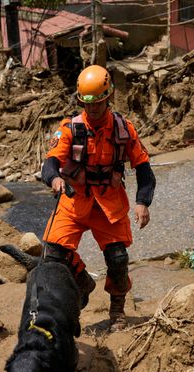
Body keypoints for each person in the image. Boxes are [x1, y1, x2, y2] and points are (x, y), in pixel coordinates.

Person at [41, 65, 156, 331]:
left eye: (98, 104)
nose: (92, 110)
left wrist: (142, 202)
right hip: (74, 200)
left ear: (108, 99)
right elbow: (50, 162)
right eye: (87, 104)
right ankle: (82, 282)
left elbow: (144, 168)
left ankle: (117, 311)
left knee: (117, 258)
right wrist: (55, 179)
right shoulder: (70, 128)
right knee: (53, 254)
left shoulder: (123, 129)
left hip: (108, 203)